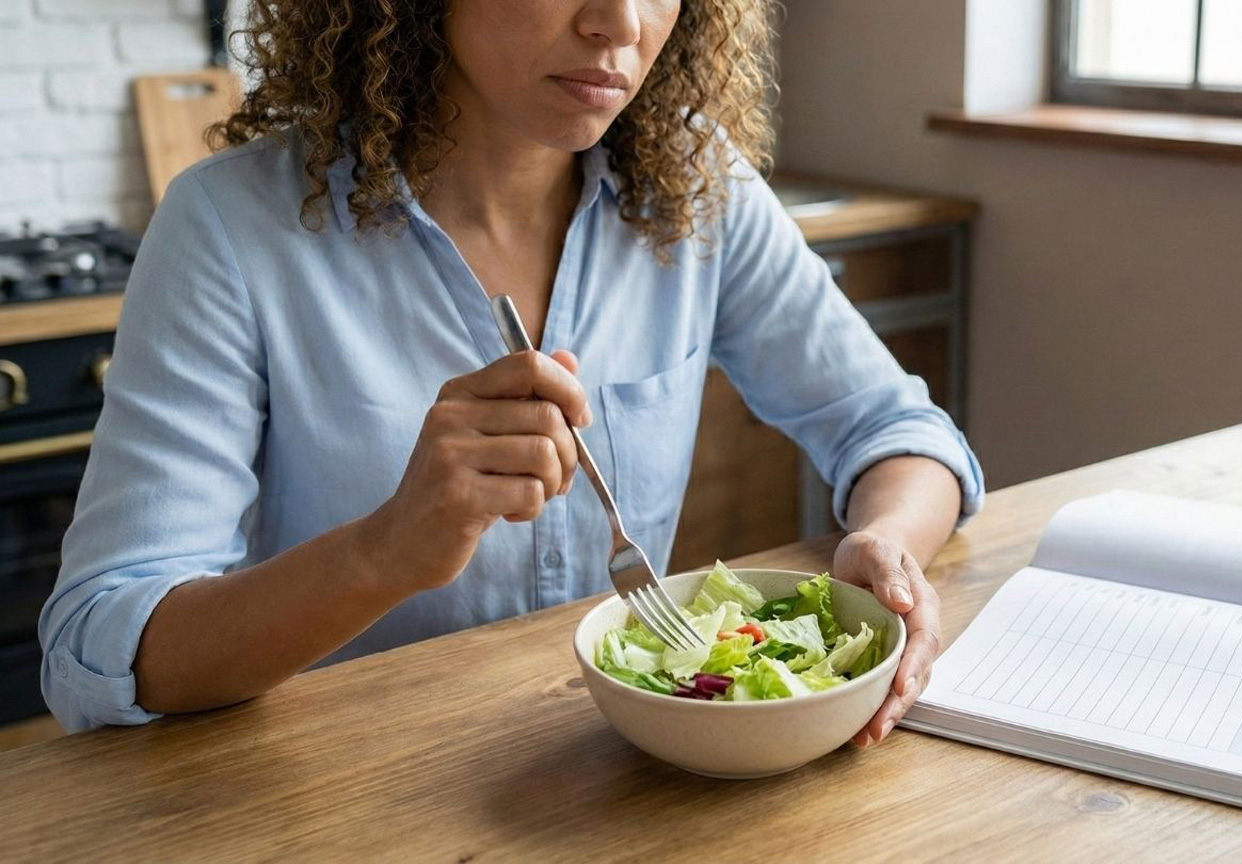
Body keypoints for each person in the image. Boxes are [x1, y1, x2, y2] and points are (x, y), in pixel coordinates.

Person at [40, 0, 982, 742]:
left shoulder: (697, 186)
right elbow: (100, 645)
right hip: (332, 787)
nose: (620, 23)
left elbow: (897, 432)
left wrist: (887, 545)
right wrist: (385, 550)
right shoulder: (230, 227)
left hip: (612, 767)